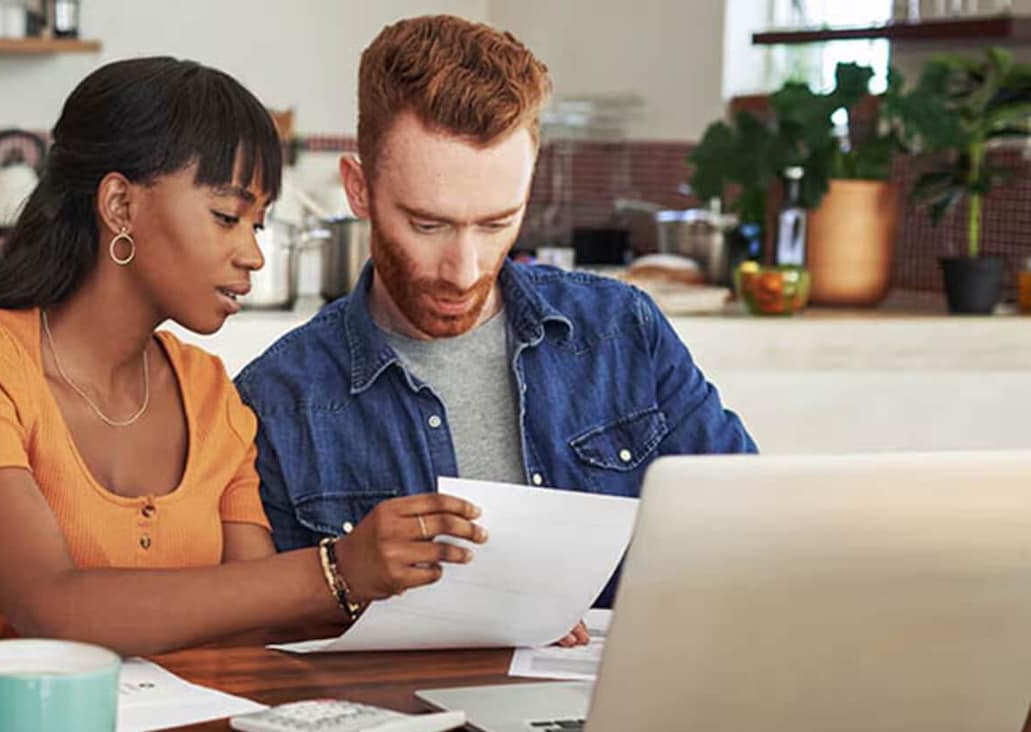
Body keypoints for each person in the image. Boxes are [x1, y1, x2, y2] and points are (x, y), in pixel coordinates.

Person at [0, 57, 498, 656]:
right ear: (120, 205)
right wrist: (337, 569)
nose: (253, 255)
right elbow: (52, 609)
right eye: (227, 216)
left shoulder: (211, 393)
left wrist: (480, 612)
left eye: (257, 225)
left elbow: (258, 618)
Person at [235, 16, 757, 618]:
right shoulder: (275, 399)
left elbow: (746, 527)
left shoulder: (622, 330)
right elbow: (276, 647)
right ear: (359, 188)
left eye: (495, 223)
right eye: (427, 225)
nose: (463, 268)